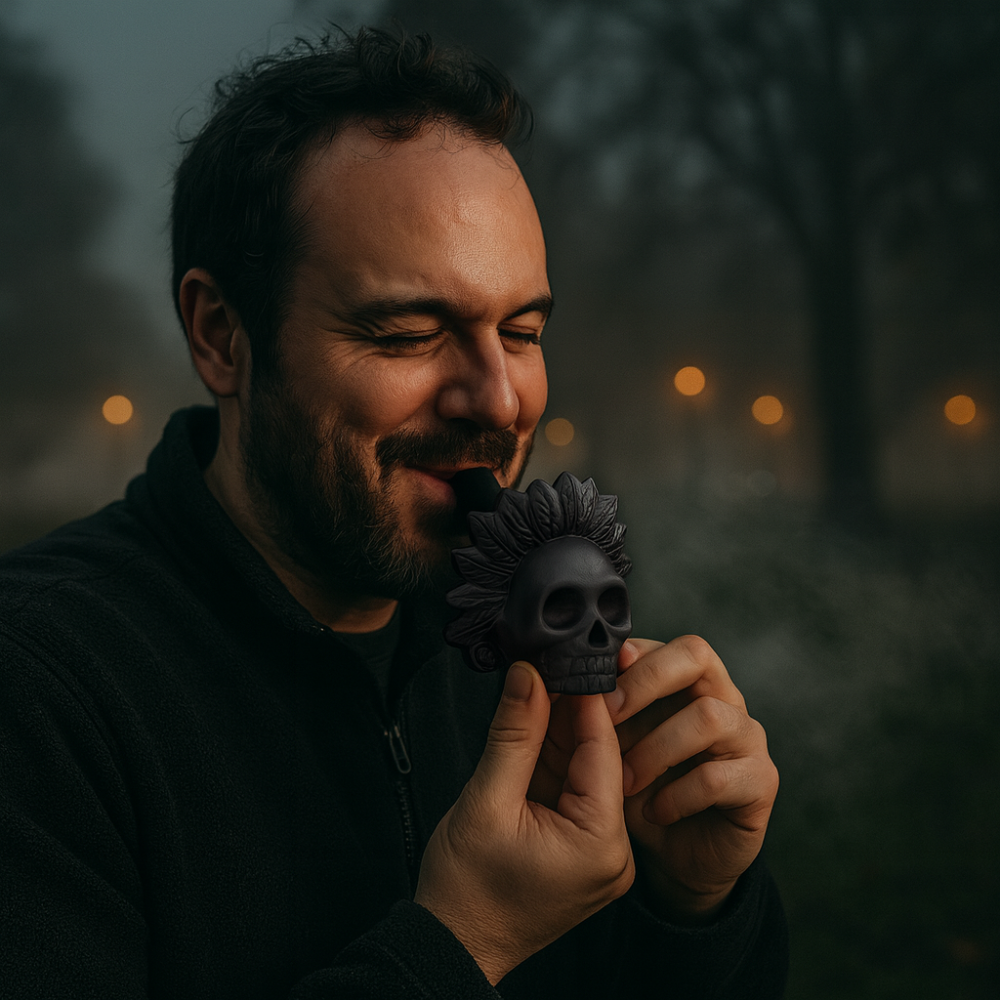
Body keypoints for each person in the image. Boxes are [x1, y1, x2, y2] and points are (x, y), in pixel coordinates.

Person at [0, 27, 787, 999]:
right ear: (220, 336)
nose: (497, 399)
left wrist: (691, 905)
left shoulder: (514, 647)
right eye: (410, 332)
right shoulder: (37, 692)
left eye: (522, 330)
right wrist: (460, 943)